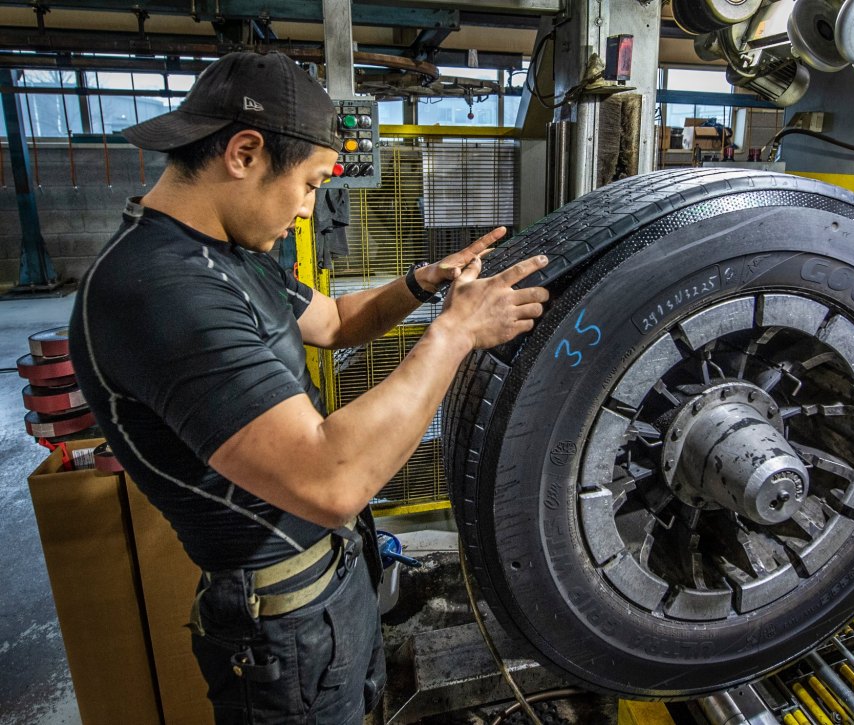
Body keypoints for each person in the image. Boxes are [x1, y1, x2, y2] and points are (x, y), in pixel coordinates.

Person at [67, 51, 549, 724]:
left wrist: (420, 283)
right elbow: (332, 478)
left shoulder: (232, 256)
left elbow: (336, 320)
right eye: (310, 183)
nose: (306, 209)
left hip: (328, 592)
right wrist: (456, 334)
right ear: (244, 153)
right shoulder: (160, 291)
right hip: (281, 631)